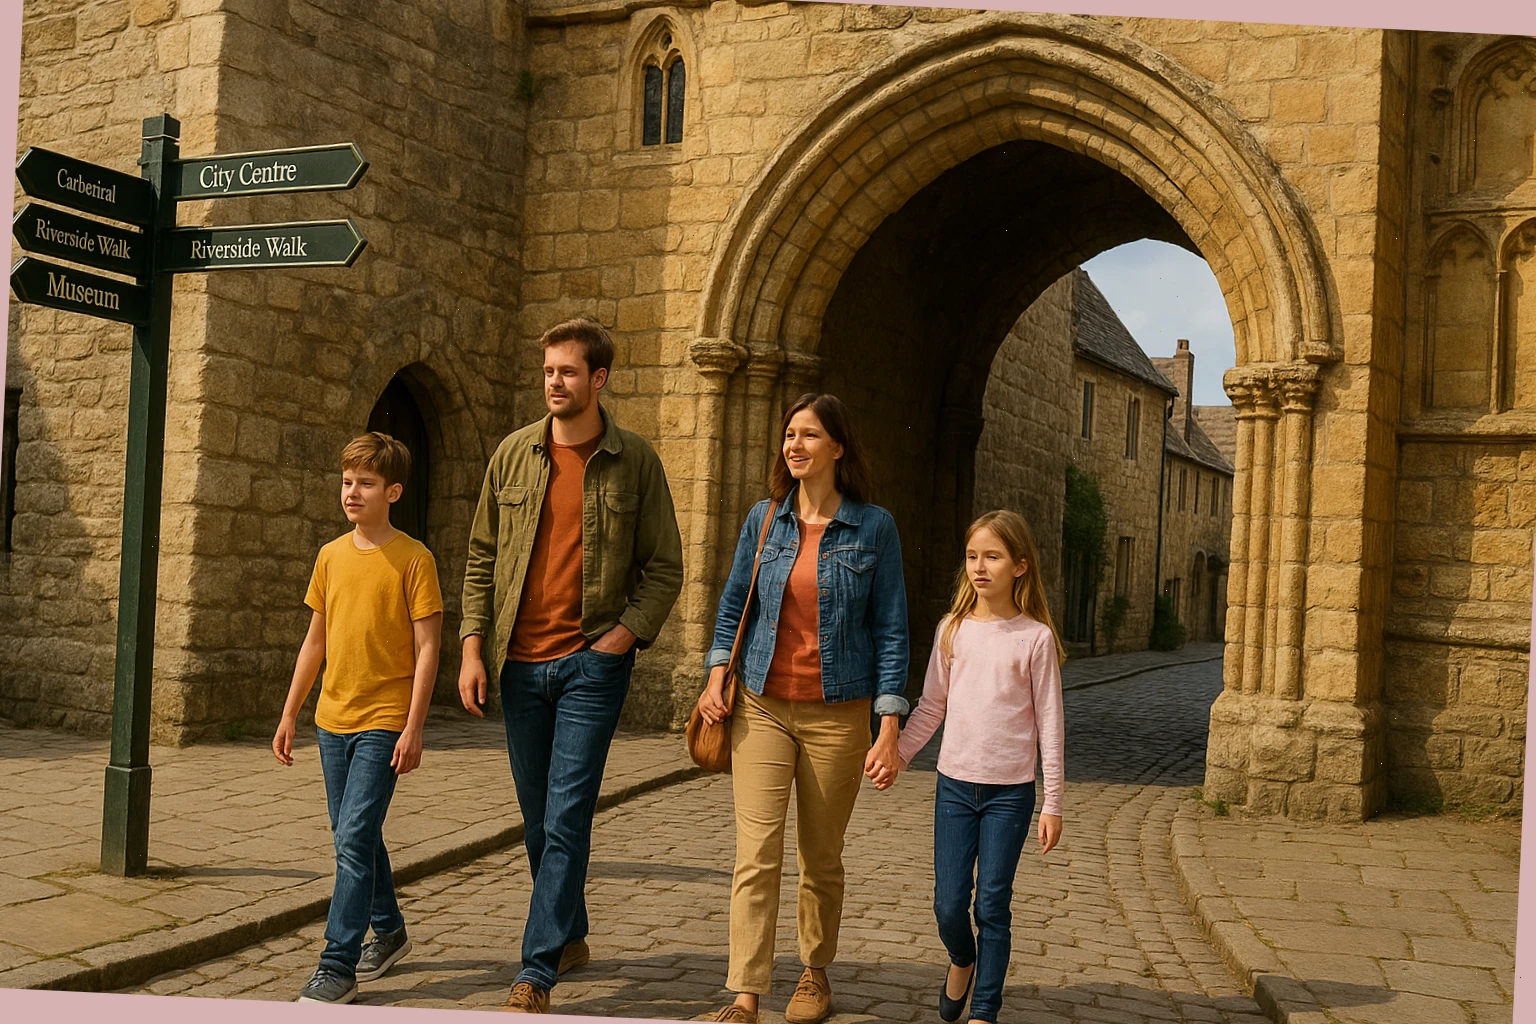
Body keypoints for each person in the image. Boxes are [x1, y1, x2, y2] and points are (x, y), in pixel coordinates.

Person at [458, 316, 684, 1014]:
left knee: (566, 815)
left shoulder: (635, 460)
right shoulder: (512, 455)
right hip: (519, 666)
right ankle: (572, 931)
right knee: (537, 819)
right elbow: (480, 558)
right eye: (549, 370)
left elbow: (664, 568)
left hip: (591, 665)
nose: (554, 381)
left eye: (567, 371)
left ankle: (536, 969)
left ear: (599, 379)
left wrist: (622, 637)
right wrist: (472, 646)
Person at [695, 393, 909, 1024]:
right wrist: (715, 676)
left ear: (837, 448)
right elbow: (734, 604)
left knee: (821, 854)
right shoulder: (764, 519)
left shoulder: (874, 528)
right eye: (789, 435)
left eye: (809, 435)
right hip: (760, 703)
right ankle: (746, 992)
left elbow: (892, 628)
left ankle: (814, 974)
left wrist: (889, 724)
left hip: (838, 710)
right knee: (755, 852)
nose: (794, 445)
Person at [272, 432, 444, 1004]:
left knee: (352, 836)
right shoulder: (329, 556)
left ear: (392, 491)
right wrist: (291, 711)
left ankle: (337, 962)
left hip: (385, 719)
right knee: (355, 836)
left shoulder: (415, 559)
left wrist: (414, 726)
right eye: (347, 481)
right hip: (332, 719)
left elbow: (427, 650)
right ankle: (390, 931)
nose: (352, 491)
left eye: (365, 483)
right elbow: (314, 640)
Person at [895, 509, 1066, 1024]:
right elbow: (931, 706)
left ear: (1020, 565)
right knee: (949, 904)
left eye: (992, 556)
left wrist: (1052, 802)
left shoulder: (1034, 639)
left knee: (992, 903)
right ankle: (961, 958)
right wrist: (897, 753)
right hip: (954, 788)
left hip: (1009, 794)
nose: (979, 567)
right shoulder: (953, 630)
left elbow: (1050, 725)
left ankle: (984, 1010)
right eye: (973, 556)